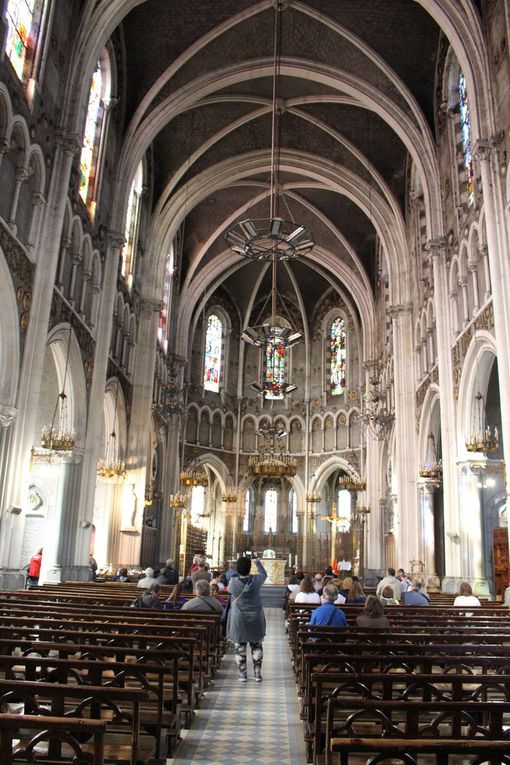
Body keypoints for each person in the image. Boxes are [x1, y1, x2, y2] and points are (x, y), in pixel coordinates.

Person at [227, 553, 267, 682]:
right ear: (250, 568)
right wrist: (258, 562)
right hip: (256, 617)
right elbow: (264, 574)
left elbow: (229, 588)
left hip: (239, 618)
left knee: (240, 647)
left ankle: (243, 674)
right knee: (256, 645)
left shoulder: (233, 582)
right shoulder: (256, 581)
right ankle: (257, 674)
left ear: (238, 569)